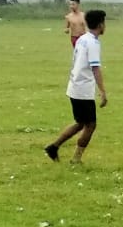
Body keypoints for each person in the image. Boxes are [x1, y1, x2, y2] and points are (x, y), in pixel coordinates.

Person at [45, 9, 108, 164]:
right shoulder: (93, 43)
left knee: (81, 123)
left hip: (74, 86)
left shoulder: (82, 39)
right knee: (90, 125)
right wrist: (102, 91)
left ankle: (53, 147)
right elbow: (95, 68)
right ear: (101, 24)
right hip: (83, 89)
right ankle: (76, 158)